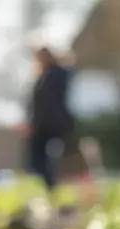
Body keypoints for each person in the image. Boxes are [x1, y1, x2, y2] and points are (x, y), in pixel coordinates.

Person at [24, 46, 75, 193]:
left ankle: (53, 185)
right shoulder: (43, 76)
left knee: (51, 156)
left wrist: (36, 122)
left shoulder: (57, 75)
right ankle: (50, 185)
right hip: (42, 124)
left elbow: (49, 102)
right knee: (37, 159)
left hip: (53, 124)